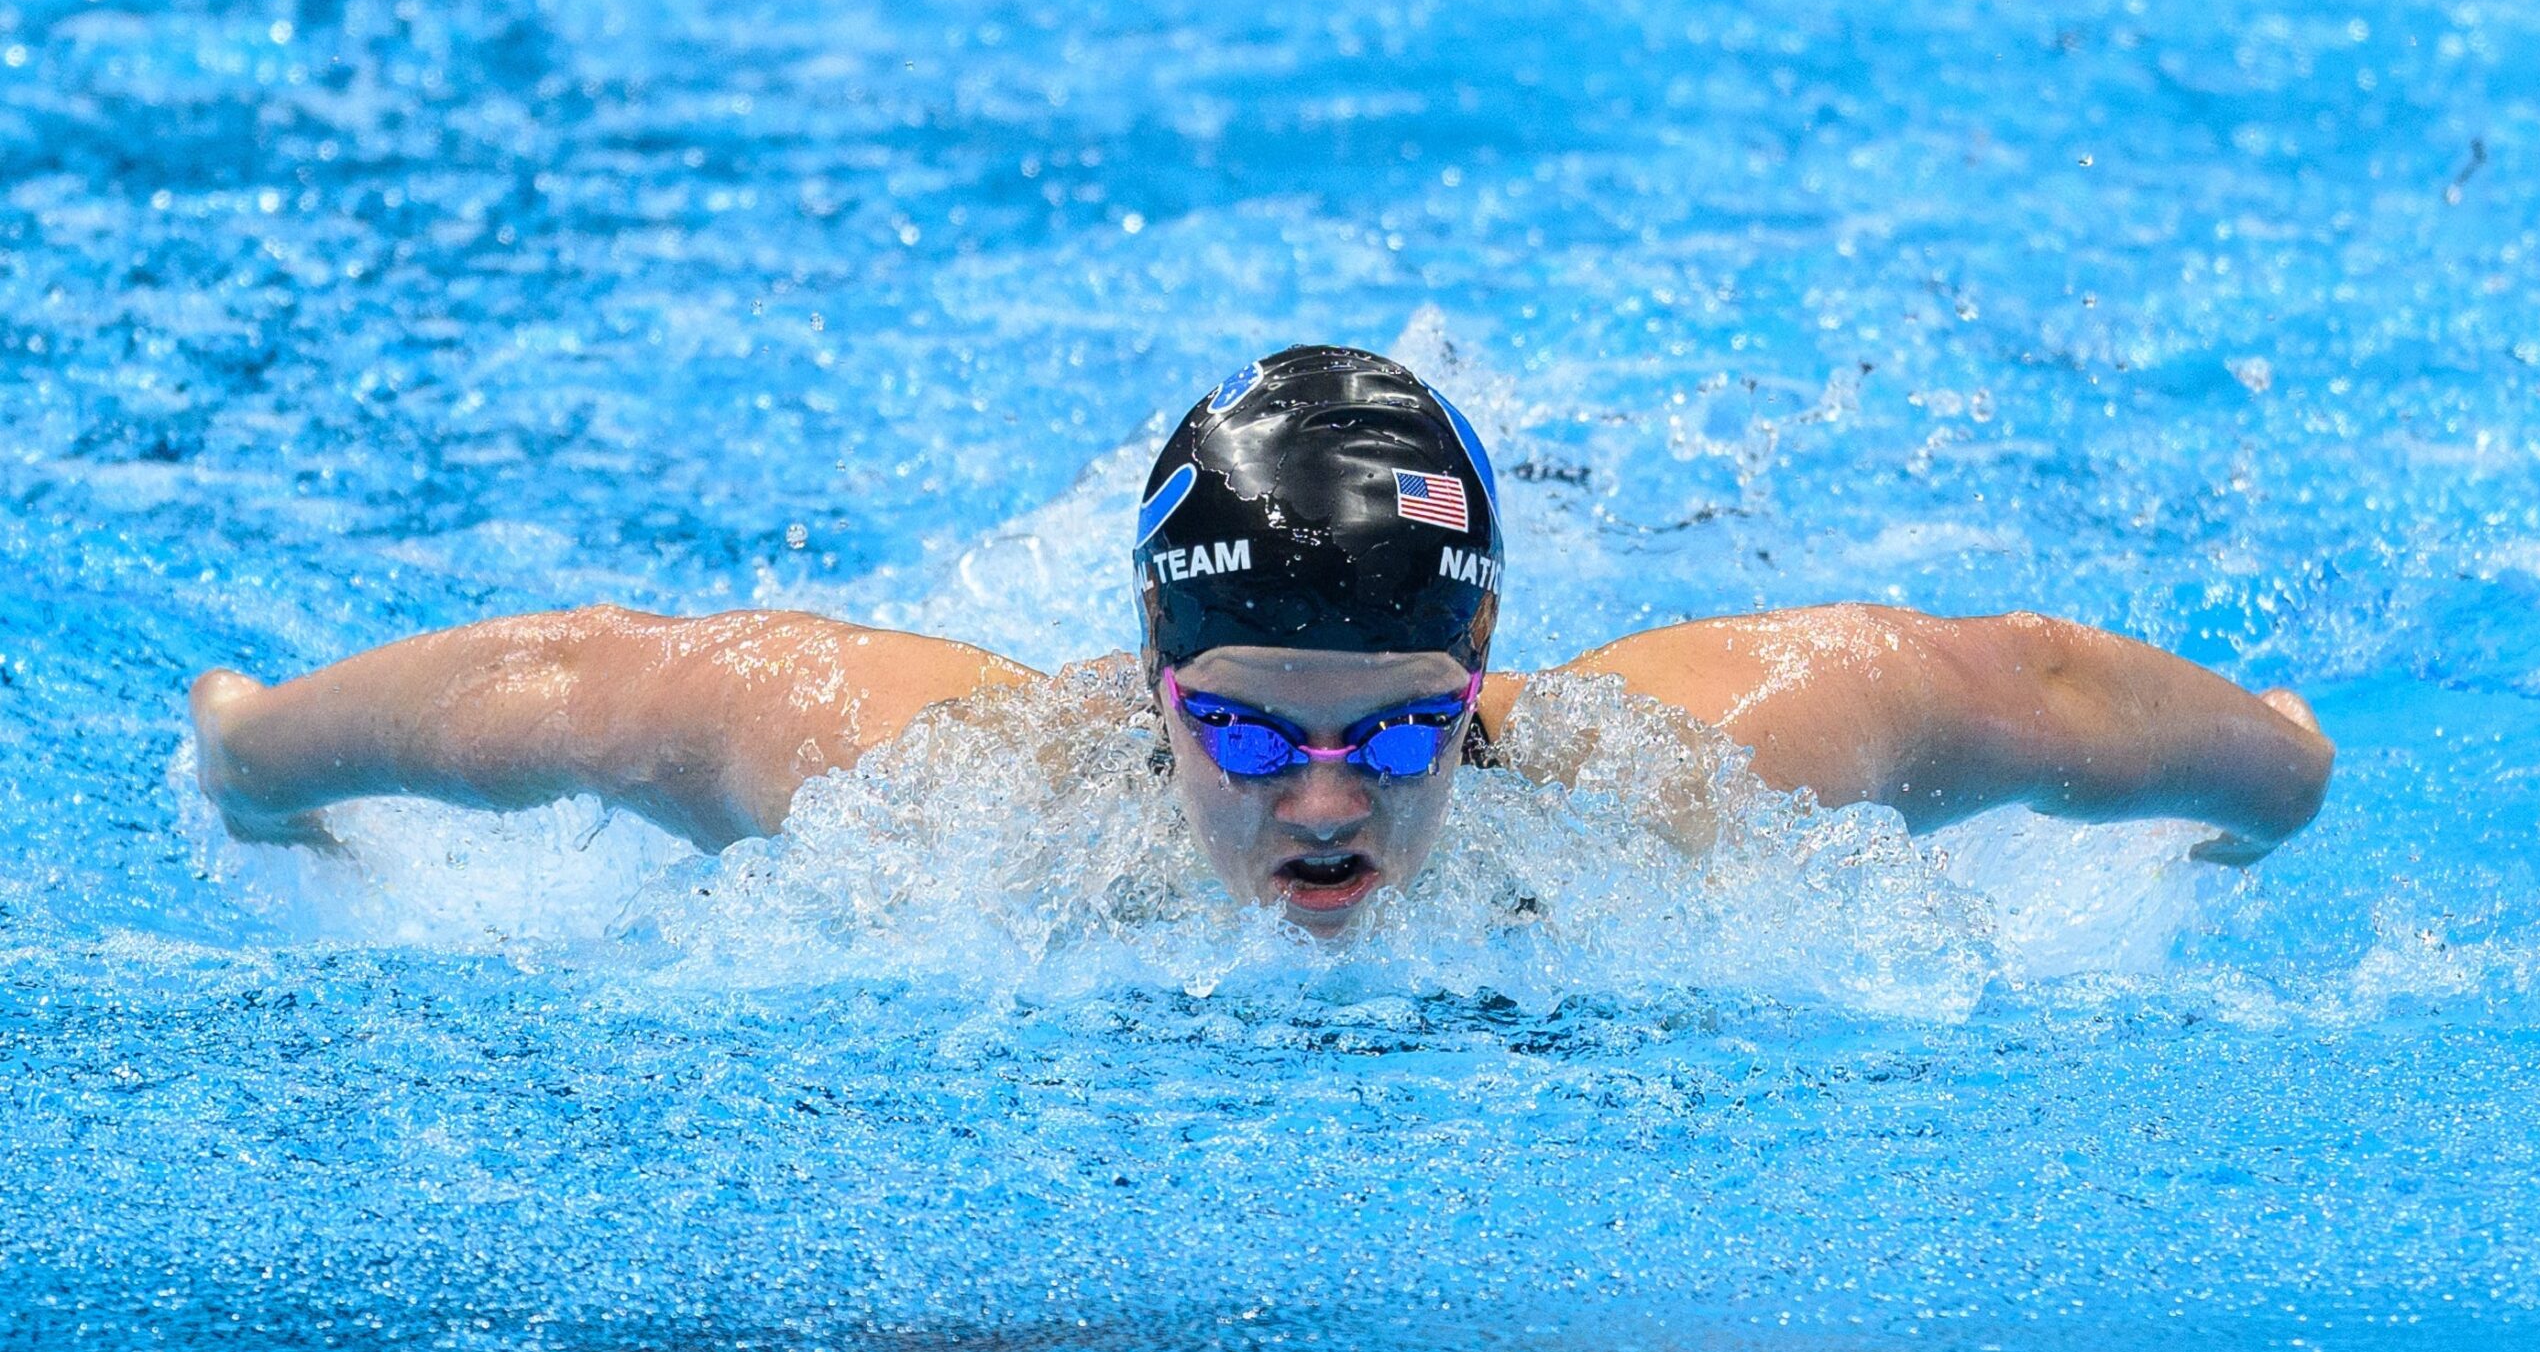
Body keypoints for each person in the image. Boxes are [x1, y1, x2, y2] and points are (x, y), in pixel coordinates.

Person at [188, 345, 2333, 932]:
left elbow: (1991, 688)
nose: (1327, 804)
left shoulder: (1663, 788)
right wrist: (260, 752)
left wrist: (2270, 771)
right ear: (1148, 697)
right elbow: (593, 685)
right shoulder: (939, 793)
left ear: (1483, 700)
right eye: (1245, 735)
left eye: (1405, 742)